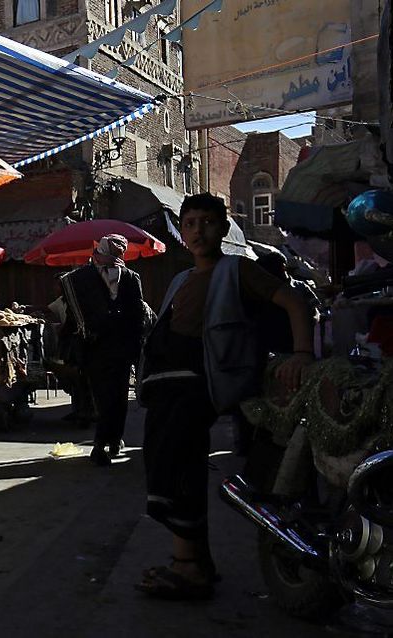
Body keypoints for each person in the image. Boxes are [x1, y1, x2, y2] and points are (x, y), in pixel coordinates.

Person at [136, 194, 313, 600]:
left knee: (179, 466)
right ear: (181, 231)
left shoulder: (239, 270)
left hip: (198, 384)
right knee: (171, 466)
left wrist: (302, 354)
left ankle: (187, 569)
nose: (199, 231)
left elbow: (294, 302)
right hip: (167, 387)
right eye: (191, 223)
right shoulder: (180, 279)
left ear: (224, 228)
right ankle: (198, 562)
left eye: (208, 222)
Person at [61, 234, 145, 466]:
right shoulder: (81, 279)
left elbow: (136, 315)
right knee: (111, 396)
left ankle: (105, 442)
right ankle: (109, 440)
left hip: (107, 348)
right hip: (104, 348)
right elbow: (137, 315)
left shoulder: (83, 278)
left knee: (110, 396)